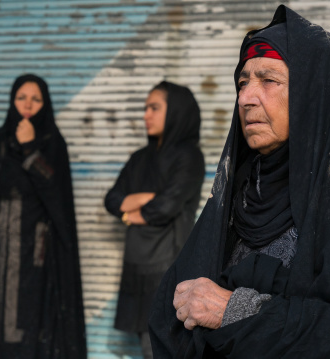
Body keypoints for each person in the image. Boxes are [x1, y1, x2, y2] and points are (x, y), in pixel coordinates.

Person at [149, 5, 330, 358]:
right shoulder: (242, 193)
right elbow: (174, 307)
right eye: (242, 82)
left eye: (268, 80)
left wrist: (234, 311)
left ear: (314, 93)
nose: (246, 98)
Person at [0, 74, 87, 359]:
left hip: (35, 263)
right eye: (21, 97)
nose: (28, 105)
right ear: (12, 101)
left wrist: (30, 149)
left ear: (45, 104)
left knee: (30, 332)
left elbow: (56, 195)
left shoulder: (52, 144)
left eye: (36, 99)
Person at [105, 81, 205, 358]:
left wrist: (136, 206)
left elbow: (166, 206)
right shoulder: (139, 159)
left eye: (154, 108)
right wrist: (133, 210)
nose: (146, 115)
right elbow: (111, 200)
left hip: (168, 265)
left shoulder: (189, 157)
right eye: (146, 108)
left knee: (168, 345)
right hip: (136, 263)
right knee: (147, 345)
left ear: (175, 111)